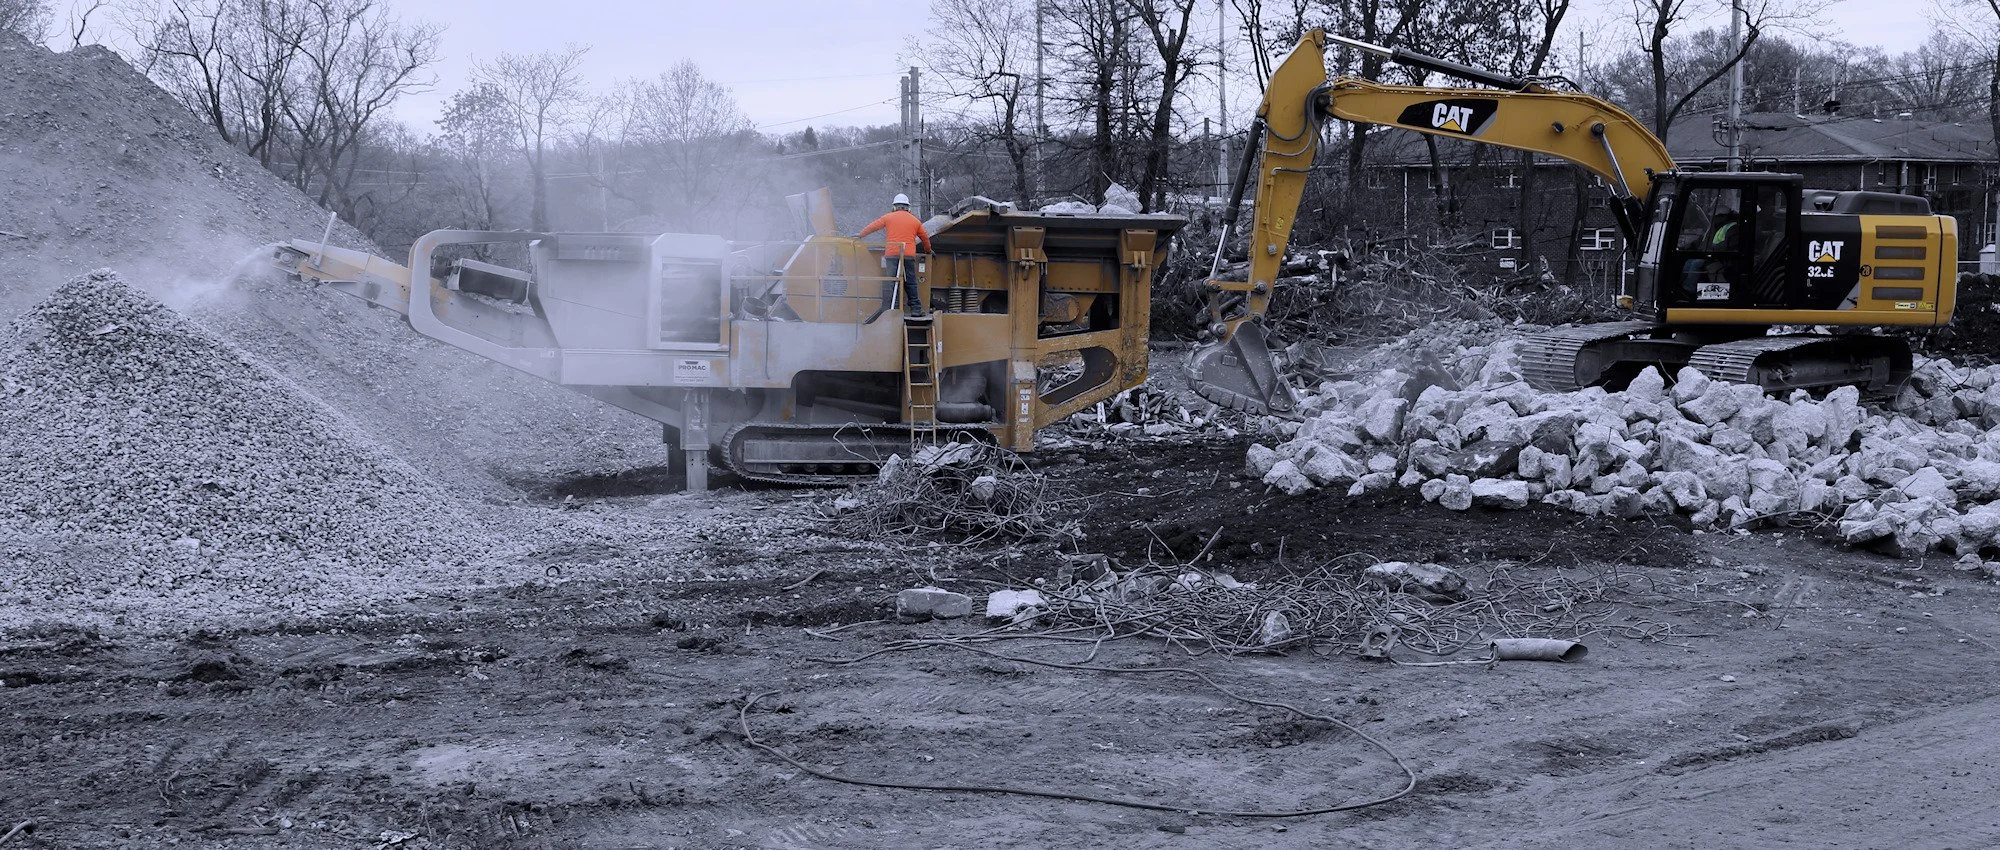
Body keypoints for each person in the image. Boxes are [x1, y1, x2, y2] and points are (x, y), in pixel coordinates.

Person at [858, 193, 932, 316]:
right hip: (908, 255)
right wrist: (928, 250)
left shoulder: (888, 217)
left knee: (891, 281)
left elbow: (873, 226)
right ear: (908, 208)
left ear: (894, 206)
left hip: (892, 254)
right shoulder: (915, 221)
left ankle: (893, 309)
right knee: (911, 281)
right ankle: (916, 309)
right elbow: (924, 238)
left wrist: (860, 235)